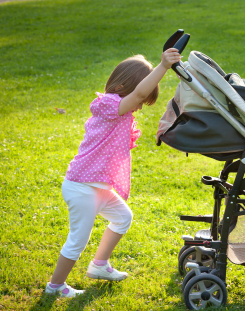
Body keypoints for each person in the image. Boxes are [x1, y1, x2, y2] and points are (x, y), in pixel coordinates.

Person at [45, 49, 182, 298]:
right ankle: (55, 287)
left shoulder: (119, 111)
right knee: (77, 240)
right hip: (82, 187)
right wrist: (162, 66)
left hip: (95, 187)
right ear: (124, 87)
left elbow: (139, 94)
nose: (139, 106)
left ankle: (99, 266)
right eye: (140, 101)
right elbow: (139, 92)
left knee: (123, 217)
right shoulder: (110, 106)